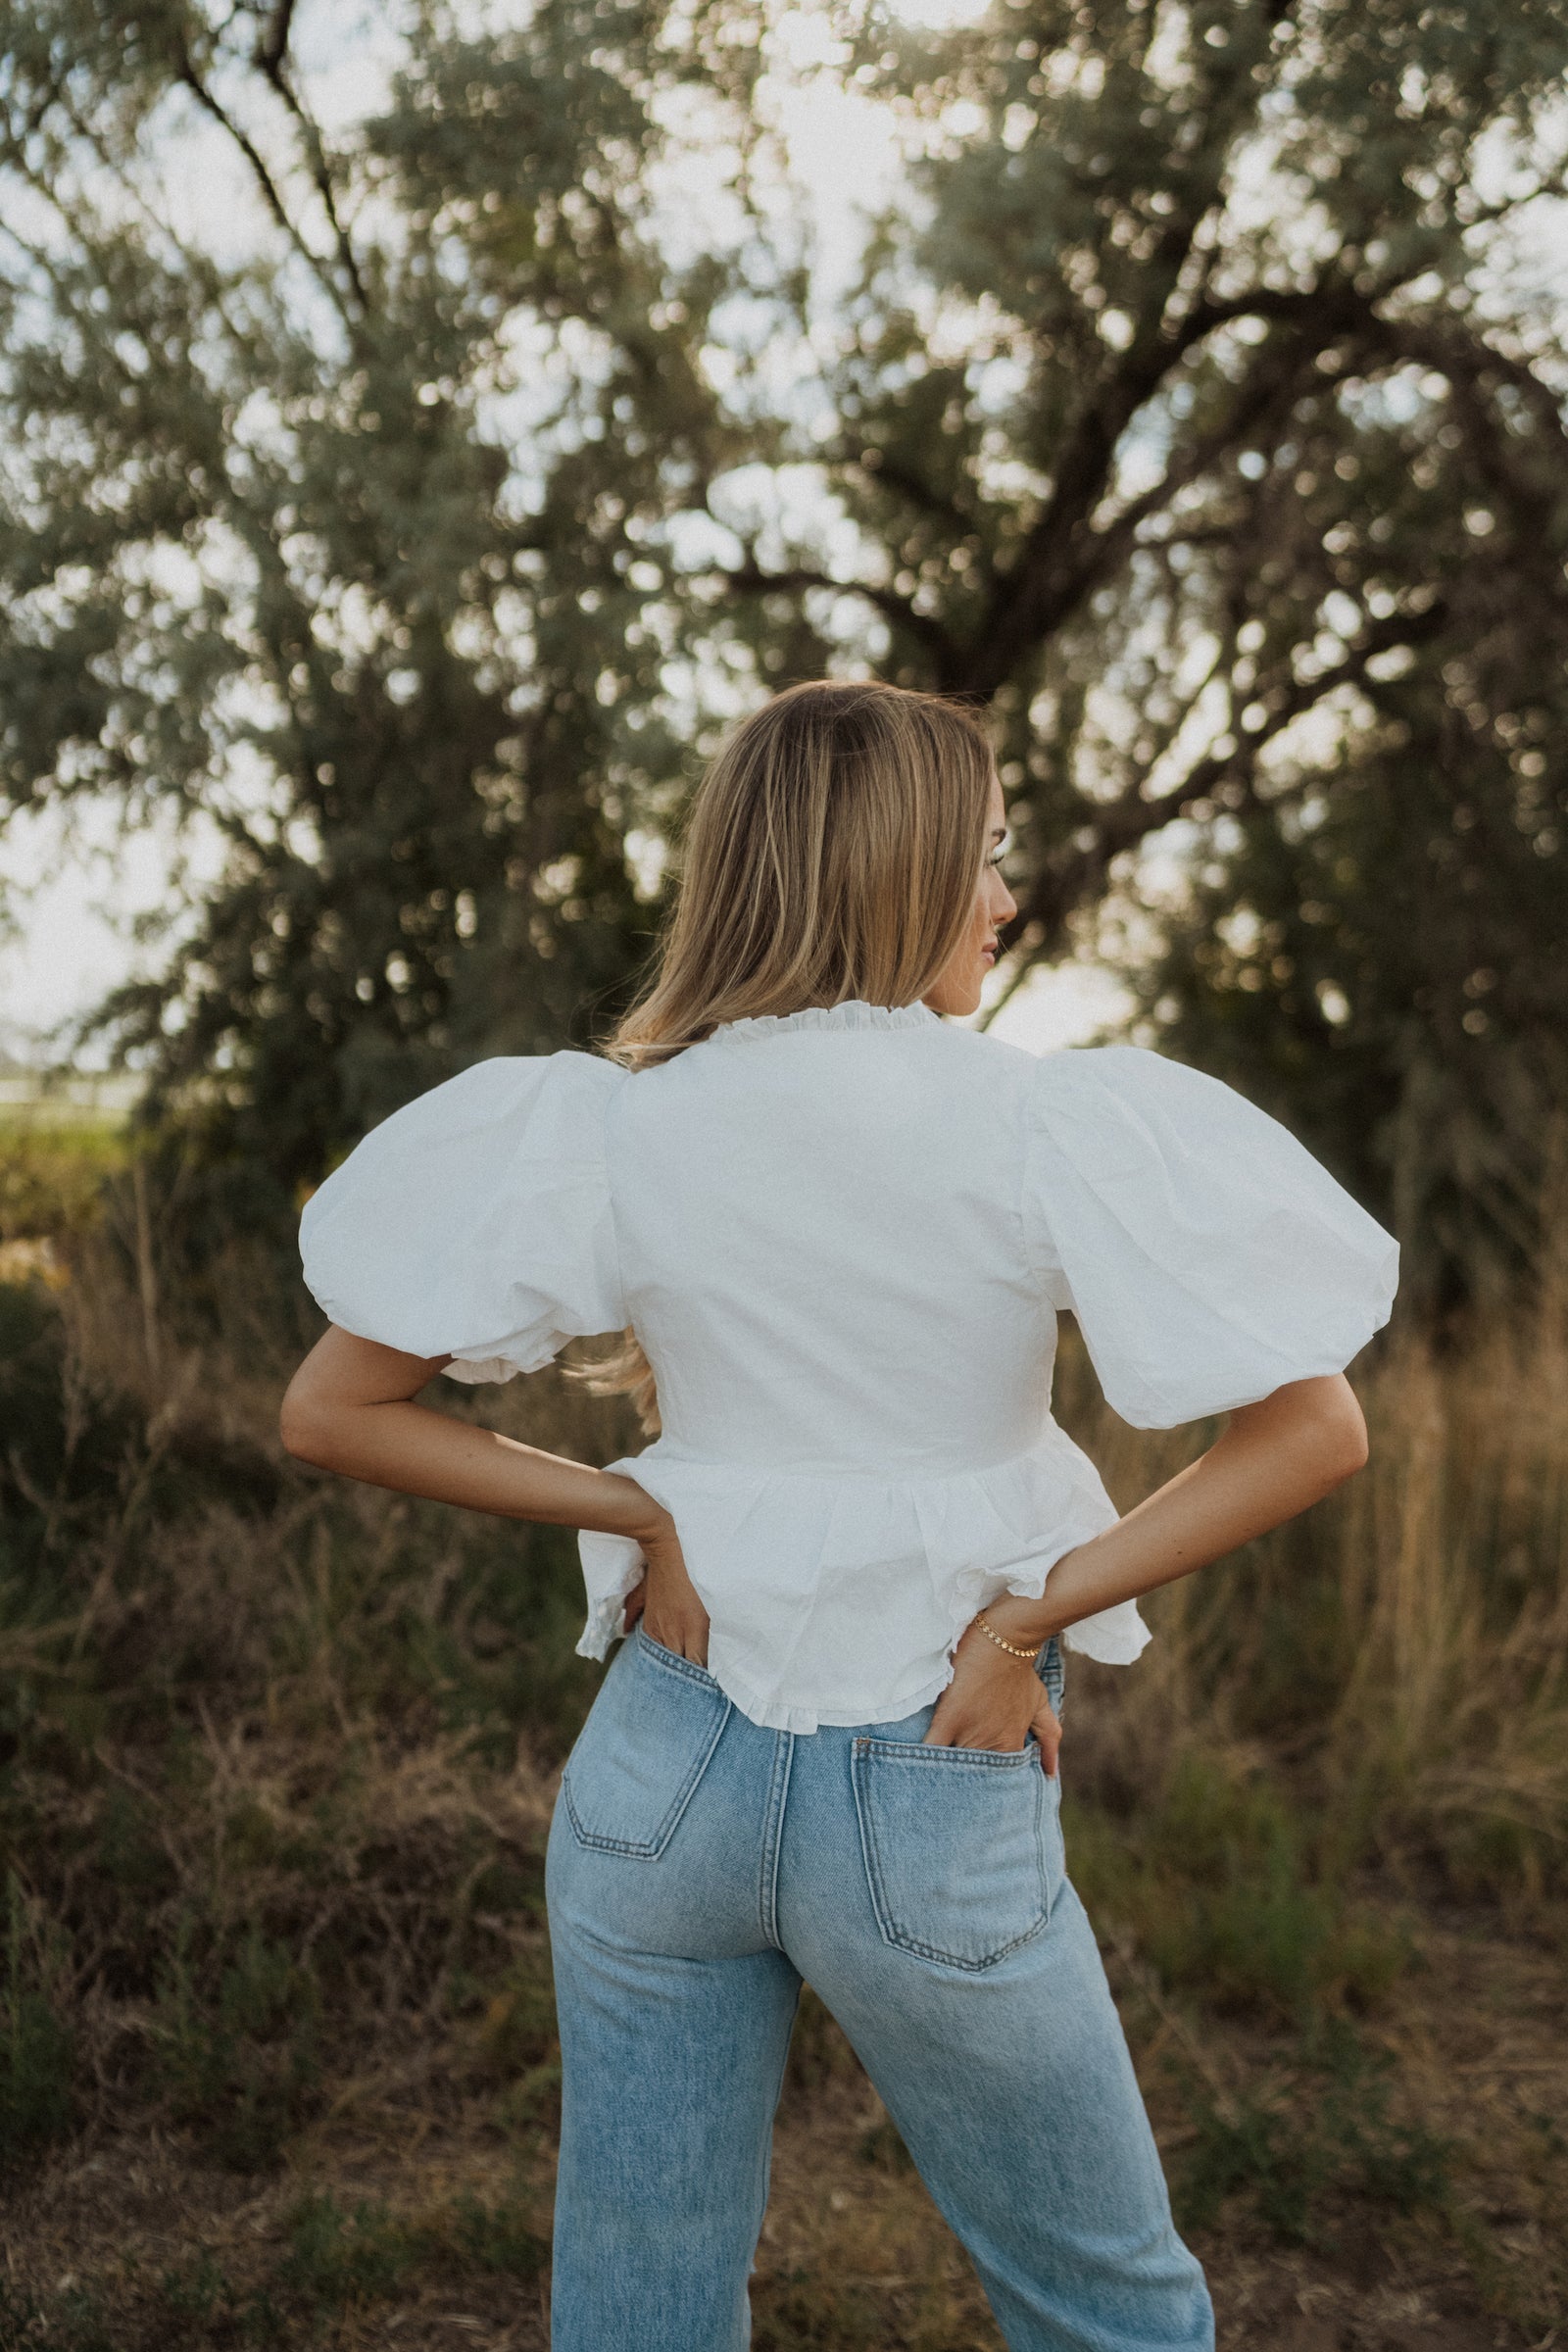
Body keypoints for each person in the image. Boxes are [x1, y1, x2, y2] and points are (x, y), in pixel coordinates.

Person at [281, 678, 1396, 2352]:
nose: (1009, 900)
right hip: (929, 1789)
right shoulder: (1038, 1121)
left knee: (641, 2312)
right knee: (1110, 2310)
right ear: (892, 866)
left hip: (660, 1782)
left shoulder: (616, 1119)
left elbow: (327, 1410)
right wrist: (1029, 1616)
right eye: (987, 854)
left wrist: (639, 1515)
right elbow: (1317, 1431)